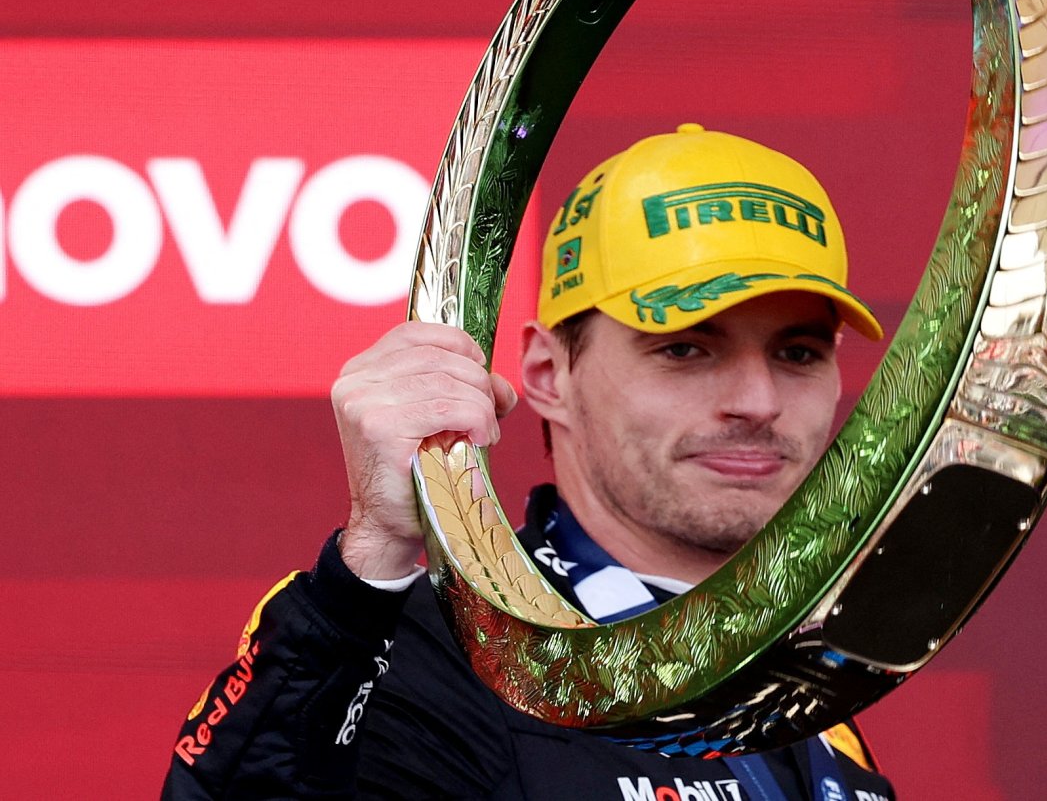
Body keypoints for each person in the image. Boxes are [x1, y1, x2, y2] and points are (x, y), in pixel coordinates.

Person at [162, 124, 898, 800]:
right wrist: (373, 559)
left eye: (798, 353)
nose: (757, 400)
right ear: (549, 376)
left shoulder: (806, 683)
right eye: (686, 348)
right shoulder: (438, 658)